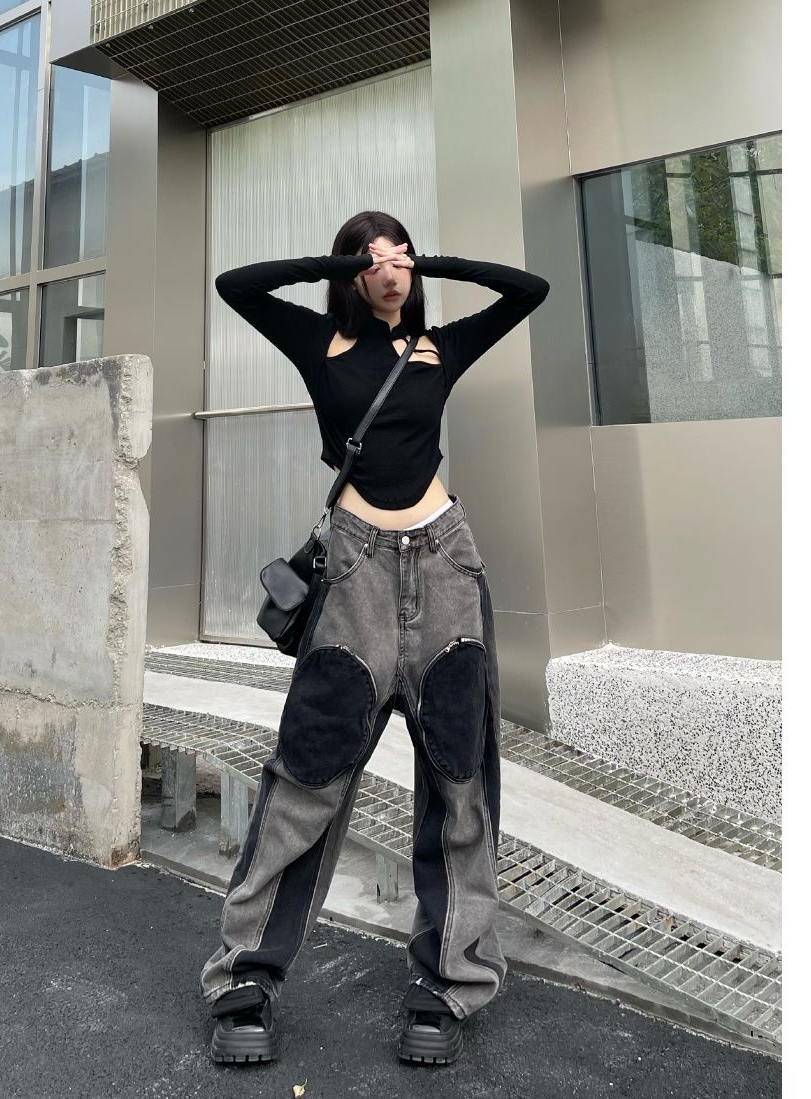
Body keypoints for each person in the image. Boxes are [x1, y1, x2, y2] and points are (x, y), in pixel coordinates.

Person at [200, 210, 550, 1066]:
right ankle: (244, 976)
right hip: (352, 572)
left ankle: (449, 981)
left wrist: (435, 259)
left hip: (446, 568)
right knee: (307, 774)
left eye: (401, 258)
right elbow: (236, 286)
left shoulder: (439, 347)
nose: (390, 270)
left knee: (459, 779)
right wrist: (339, 262)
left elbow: (527, 291)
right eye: (373, 259)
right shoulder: (316, 342)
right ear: (350, 273)